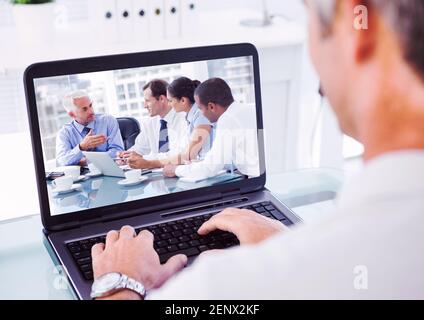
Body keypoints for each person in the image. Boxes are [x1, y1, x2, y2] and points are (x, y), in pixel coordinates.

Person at [91, 0, 424, 299]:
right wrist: (291, 242)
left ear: (355, 28)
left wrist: (118, 285)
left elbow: (208, 163)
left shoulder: (223, 286)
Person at [163, 77, 260, 179]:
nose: (201, 114)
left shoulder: (227, 119)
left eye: (200, 108)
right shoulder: (248, 109)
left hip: (255, 180)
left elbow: (210, 168)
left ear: (211, 106)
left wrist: (176, 170)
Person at [125, 77, 214, 170]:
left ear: (183, 101)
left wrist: (149, 163)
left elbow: (188, 155)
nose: (169, 104)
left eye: (170, 101)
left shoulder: (200, 116)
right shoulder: (192, 117)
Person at [118, 79, 188, 168]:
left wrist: (145, 159)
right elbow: (139, 148)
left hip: (179, 169)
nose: (145, 105)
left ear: (162, 99)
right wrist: (127, 156)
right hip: (158, 173)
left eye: (147, 100)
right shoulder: (150, 122)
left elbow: (178, 153)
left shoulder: (183, 118)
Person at [56, 90, 124, 167]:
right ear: (72, 114)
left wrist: (85, 161)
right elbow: (62, 161)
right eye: (84, 109)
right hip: (82, 177)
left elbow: (117, 152)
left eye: (90, 105)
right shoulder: (65, 133)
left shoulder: (108, 121)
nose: (91, 111)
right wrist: (81, 147)